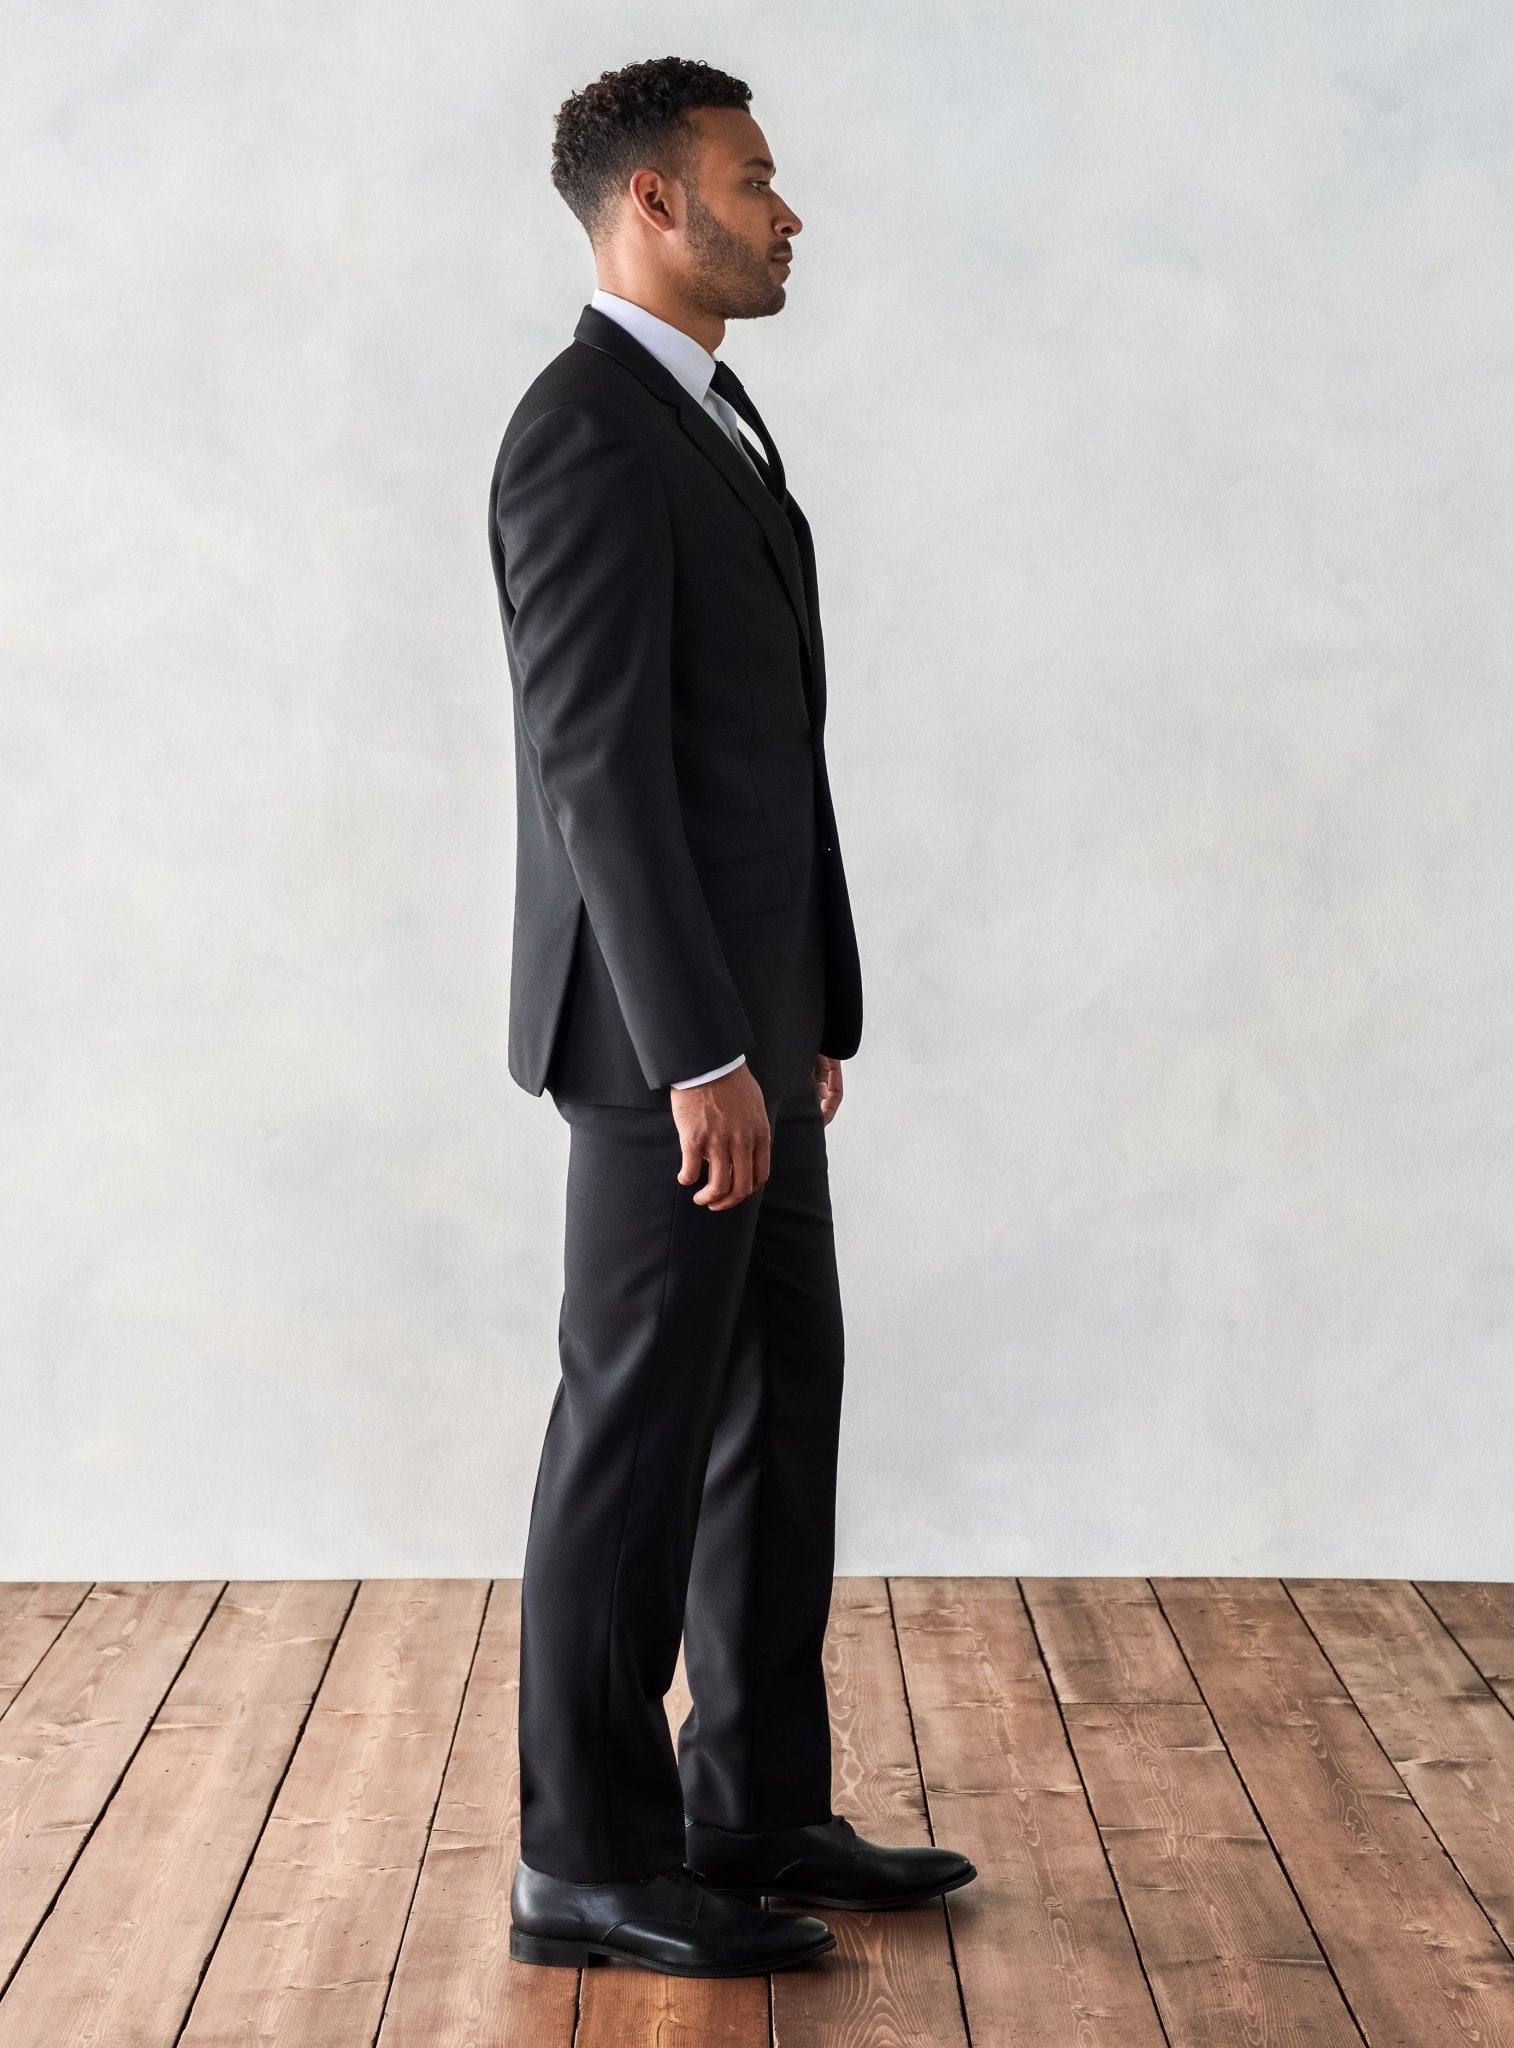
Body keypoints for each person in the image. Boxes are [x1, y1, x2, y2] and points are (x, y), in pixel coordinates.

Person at [487, 54, 976, 1978]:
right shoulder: (586, 432)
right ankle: (585, 1862)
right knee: (635, 1435)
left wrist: (803, 1008)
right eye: (755, 179)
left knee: (779, 1405)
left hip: (755, 1031)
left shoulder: (711, 411)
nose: (788, 212)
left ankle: (753, 1804)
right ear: (654, 205)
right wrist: (700, 1050)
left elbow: (768, 750)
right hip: (659, 1049)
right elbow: (597, 773)